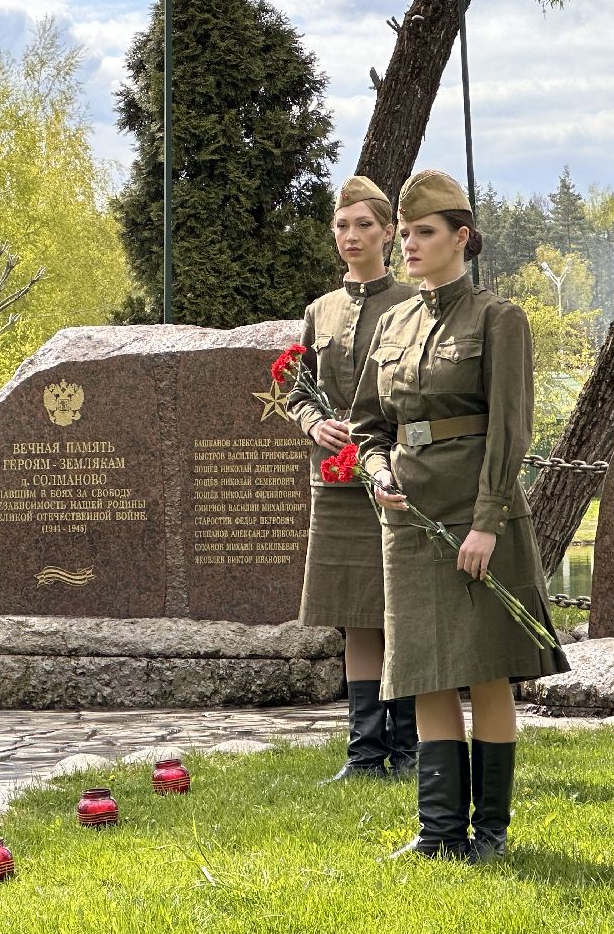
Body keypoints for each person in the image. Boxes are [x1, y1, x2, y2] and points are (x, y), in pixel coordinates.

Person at [352, 170, 569, 861]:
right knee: (425, 670)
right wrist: (376, 471)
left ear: (461, 238)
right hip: (410, 518)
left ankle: (491, 834)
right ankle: (439, 833)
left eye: (424, 232)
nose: (409, 245)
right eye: (405, 233)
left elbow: (510, 430)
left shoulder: (498, 318)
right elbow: (367, 427)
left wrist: (486, 523)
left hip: (476, 515)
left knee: (485, 668)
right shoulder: (393, 321)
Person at [287, 175, 418, 781]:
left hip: (397, 472)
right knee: (356, 614)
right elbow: (295, 389)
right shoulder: (320, 311)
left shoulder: (413, 304)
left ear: (389, 233)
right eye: (342, 225)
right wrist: (314, 422)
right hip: (336, 480)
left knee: (401, 608)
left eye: (364, 225)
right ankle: (365, 752)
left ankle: (409, 746)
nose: (351, 236)